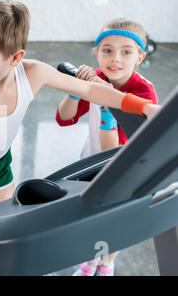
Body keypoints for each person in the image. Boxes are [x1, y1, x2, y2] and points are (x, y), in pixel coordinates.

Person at [0, 0, 160, 231]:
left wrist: (144, 107)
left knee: (1, 229)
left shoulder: (33, 73)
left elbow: (90, 89)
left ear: (16, 57)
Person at [55, 18, 158, 276]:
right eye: (107, 50)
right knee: (92, 215)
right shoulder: (95, 79)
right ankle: (91, 262)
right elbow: (64, 118)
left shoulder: (144, 92)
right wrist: (76, 90)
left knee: (116, 220)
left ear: (140, 57)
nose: (115, 59)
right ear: (96, 52)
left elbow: (110, 152)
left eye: (126, 52)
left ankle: (107, 263)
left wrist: (107, 102)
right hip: (90, 159)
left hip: (124, 164)